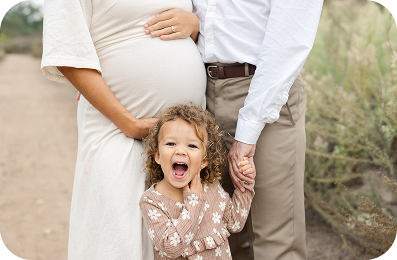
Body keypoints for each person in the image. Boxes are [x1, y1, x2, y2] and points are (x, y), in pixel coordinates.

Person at [144, 1, 324, 259]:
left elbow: (289, 41)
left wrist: (248, 131)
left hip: (265, 93)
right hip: (200, 92)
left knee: (275, 239)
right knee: (218, 232)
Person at [41, 0, 206, 259]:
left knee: (184, 238)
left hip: (184, 140)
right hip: (115, 129)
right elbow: (66, 49)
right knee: (118, 237)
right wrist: (130, 123)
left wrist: (196, 26)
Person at [139, 103, 255, 259]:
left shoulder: (211, 187)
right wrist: (194, 202)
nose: (180, 151)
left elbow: (235, 222)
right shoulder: (152, 201)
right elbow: (172, 248)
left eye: (192, 145)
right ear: (158, 156)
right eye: (171, 143)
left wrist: (245, 181)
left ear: (203, 161)